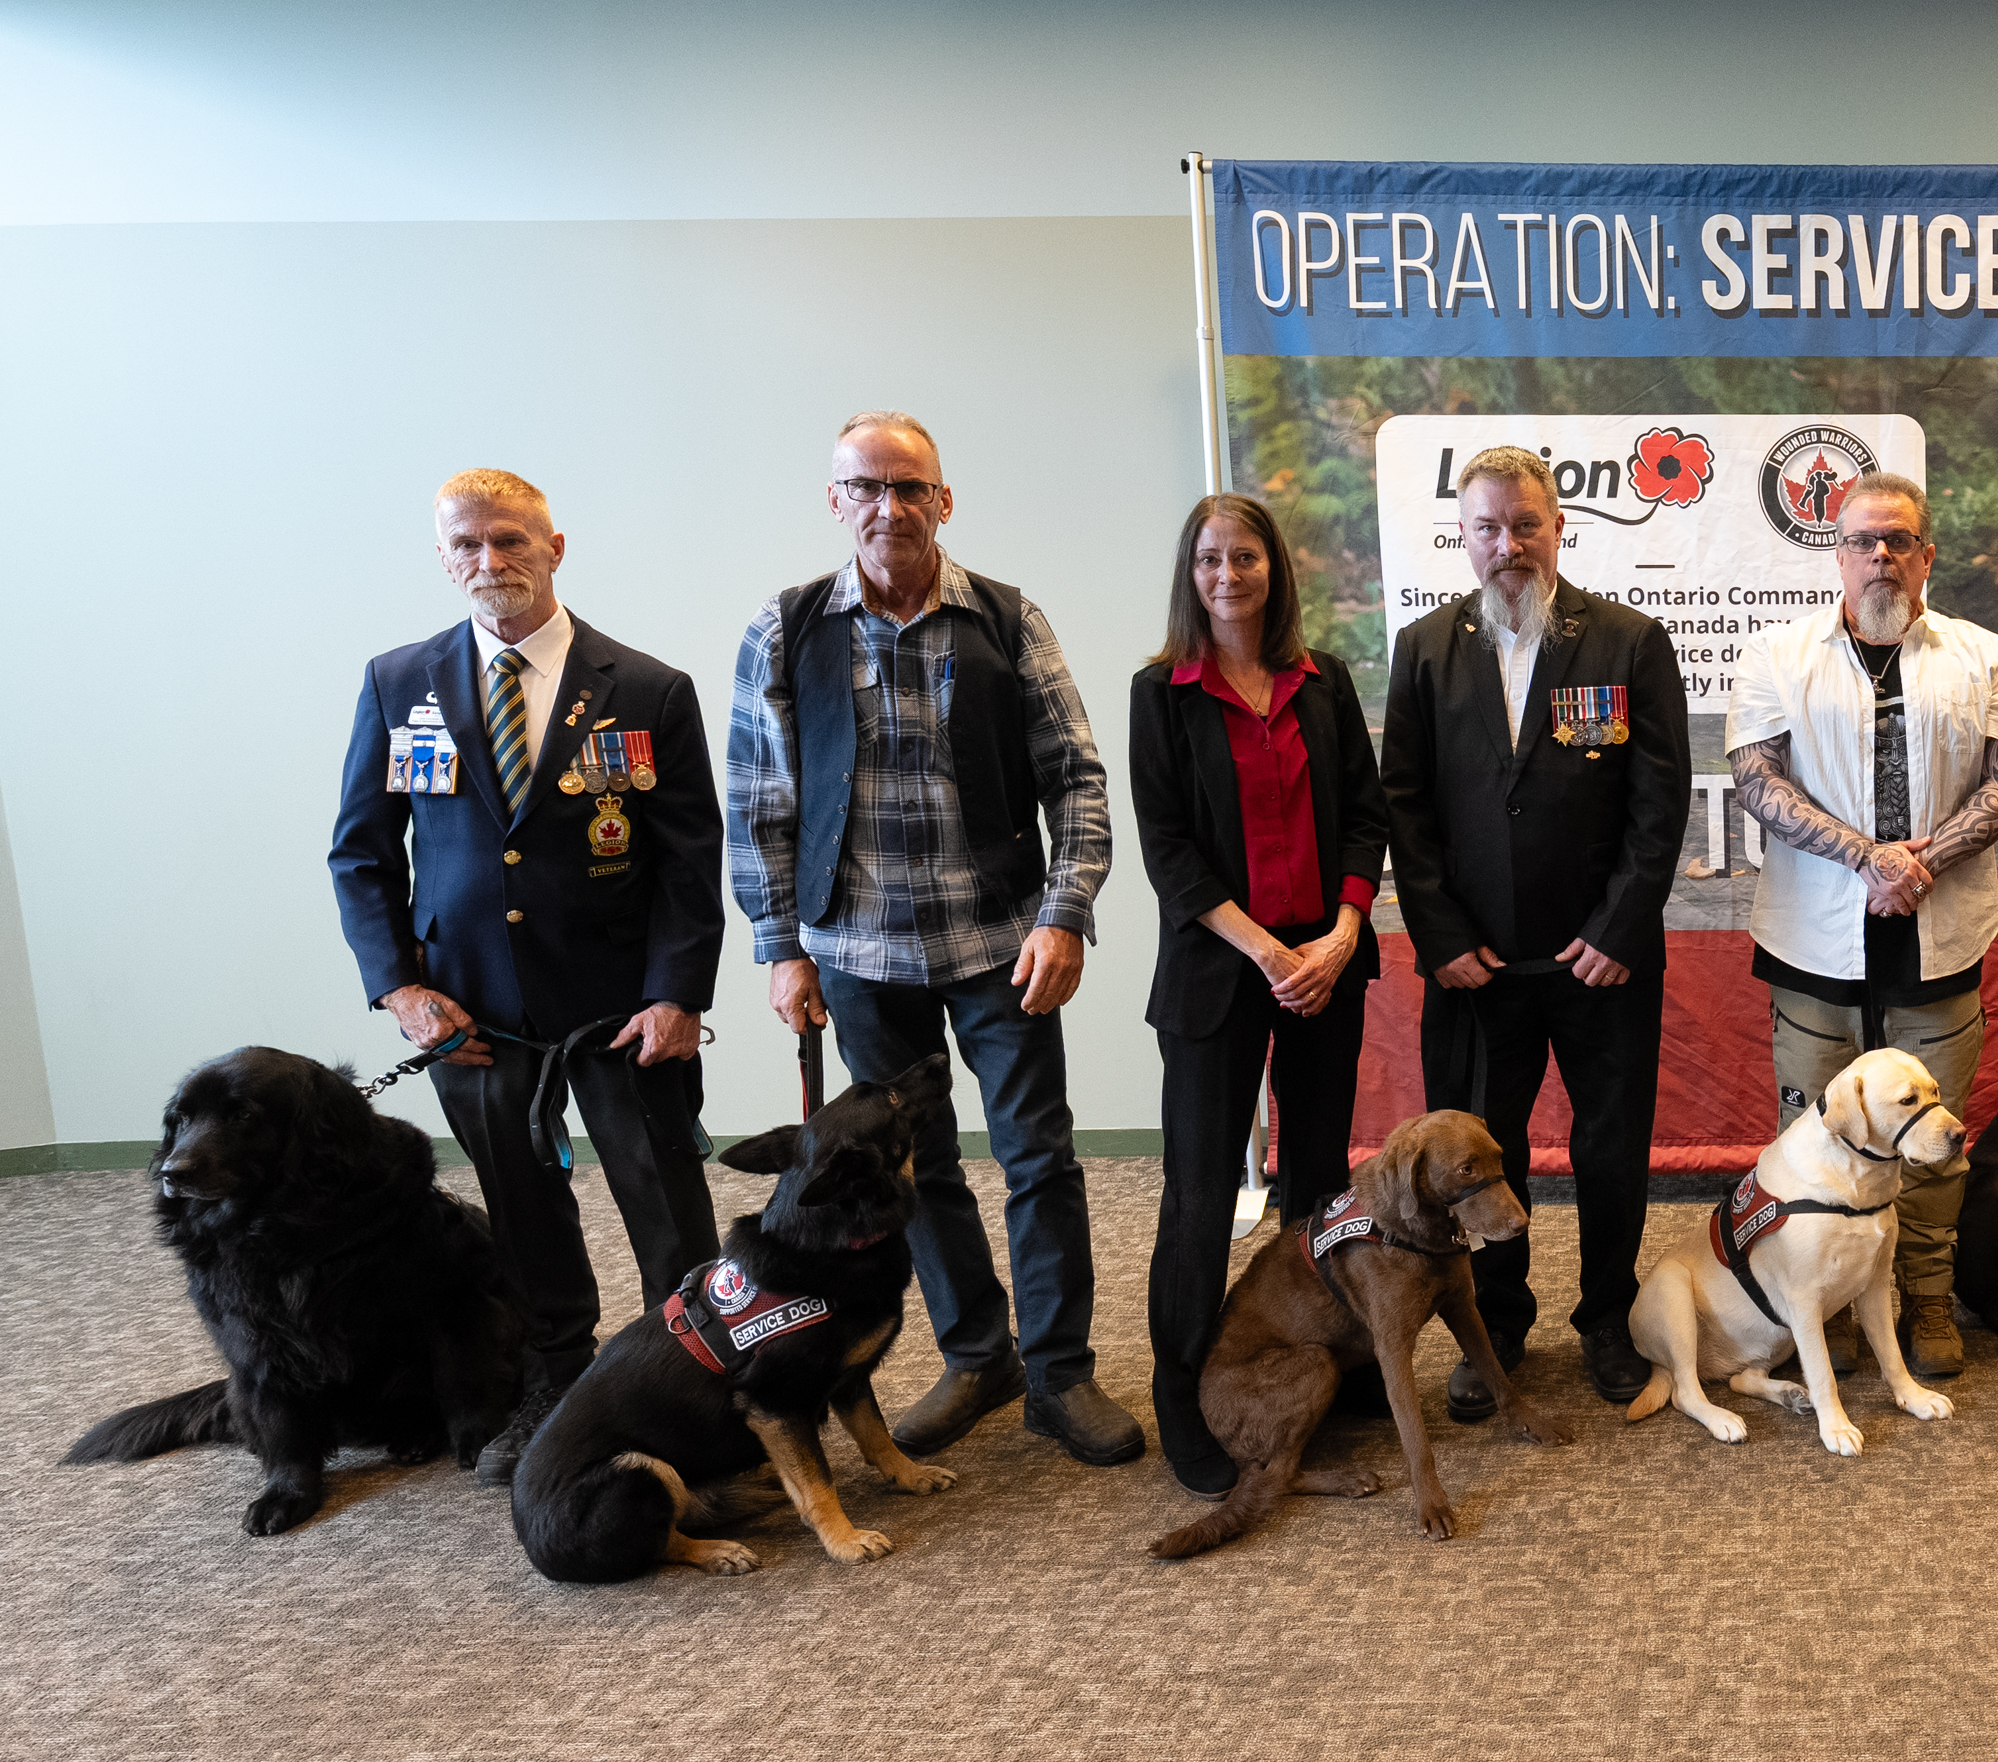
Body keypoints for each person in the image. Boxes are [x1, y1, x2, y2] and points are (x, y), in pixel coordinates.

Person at [725, 411, 1136, 1466]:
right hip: (857, 957)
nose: (887, 506)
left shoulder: (1005, 618)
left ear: (943, 500)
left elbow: (1076, 780)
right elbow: (759, 804)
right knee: (919, 1174)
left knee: (1038, 1158)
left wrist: (1065, 913)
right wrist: (781, 945)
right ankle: (976, 1356)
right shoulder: (784, 630)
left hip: (1001, 945)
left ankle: (1058, 1373)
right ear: (835, 501)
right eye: (865, 486)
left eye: (910, 487)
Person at [330, 468, 723, 1481]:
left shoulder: (646, 689)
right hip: (472, 1017)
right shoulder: (396, 682)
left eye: (508, 541)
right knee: (522, 1212)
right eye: (466, 546)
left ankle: (700, 1388)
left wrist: (678, 993)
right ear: (443, 557)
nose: (488, 563)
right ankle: (557, 1385)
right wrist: (399, 988)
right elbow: (364, 855)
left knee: (666, 1207)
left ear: (555, 546)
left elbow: (687, 861)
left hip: (620, 1014)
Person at [1383, 446, 1692, 1420]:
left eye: (1525, 524)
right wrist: (1439, 934)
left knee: (1610, 1146)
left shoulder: (1627, 641)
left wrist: (1617, 927)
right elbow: (1404, 802)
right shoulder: (1424, 649)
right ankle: (1498, 1325)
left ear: (1559, 528)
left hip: (1599, 961)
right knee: (1482, 1155)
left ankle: (1606, 1317)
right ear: (1463, 537)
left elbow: (1659, 800)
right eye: (1487, 527)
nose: (1507, 544)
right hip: (1475, 966)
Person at [1727, 471, 1998, 1380]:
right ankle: (1807, 1302)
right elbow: (1756, 776)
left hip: (1940, 937)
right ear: (1838, 554)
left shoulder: (1985, 655)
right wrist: (1868, 857)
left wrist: (1921, 865)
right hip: (1814, 937)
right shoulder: (1778, 654)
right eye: (1864, 541)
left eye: (1898, 540)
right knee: (1814, 1134)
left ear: (1927, 555)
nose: (1880, 556)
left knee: (1933, 1144)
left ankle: (1927, 1300)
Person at [1127, 493, 1386, 1497]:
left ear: (1273, 568)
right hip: (1217, 976)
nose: (1226, 575)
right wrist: (1265, 953)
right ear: (1189, 576)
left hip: (1326, 968)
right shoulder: (1162, 693)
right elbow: (1169, 853)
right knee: (1197, 1195)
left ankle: (1317, 1361)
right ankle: (1184, 1392)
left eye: (1244, 557)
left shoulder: (1321, 684)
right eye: (1207, 560)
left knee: (1318, 1182)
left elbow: (1364, 819)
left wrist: (1338, 935)